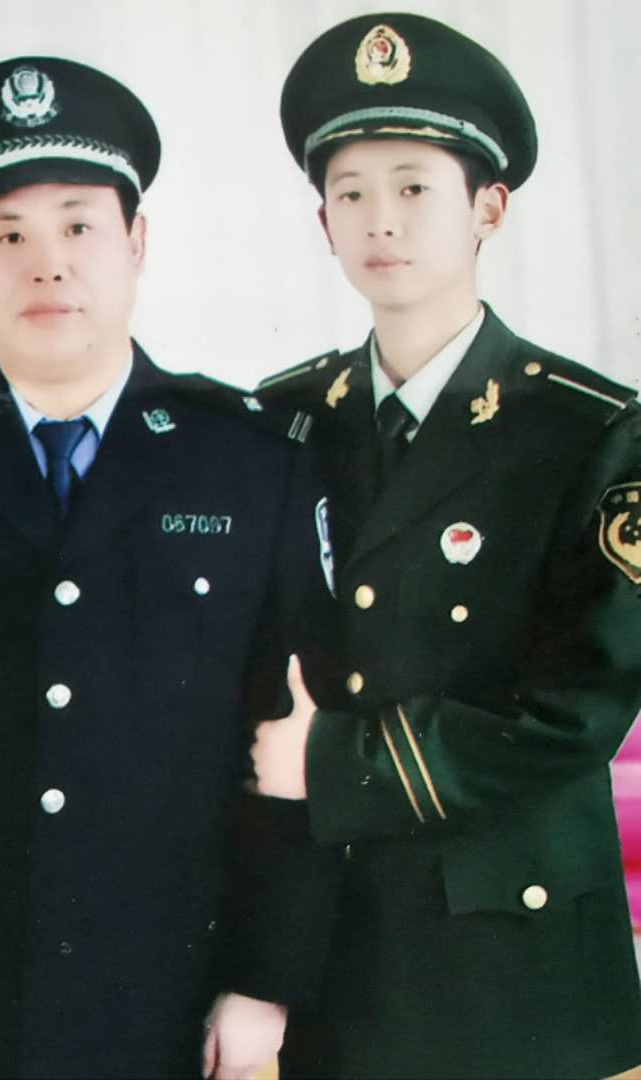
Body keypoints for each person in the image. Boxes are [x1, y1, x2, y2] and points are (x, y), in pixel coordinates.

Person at [0, 55, 340, 1080]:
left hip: (173, 990)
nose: (47, 266)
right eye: (8, 235)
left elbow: (295, 740)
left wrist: (263, 981)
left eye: (79, 227)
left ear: (137, 243)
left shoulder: (252, 458)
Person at [252, 12, 641, 1079]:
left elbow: (581, 706)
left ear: (488, 207)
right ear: (322, 222)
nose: (380, 219)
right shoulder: (281, 421)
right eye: (349, 193)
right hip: (336, 948)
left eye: (415, 186)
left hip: (511, 955)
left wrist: (330, 761)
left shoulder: (592, 430)